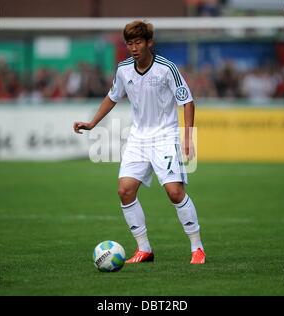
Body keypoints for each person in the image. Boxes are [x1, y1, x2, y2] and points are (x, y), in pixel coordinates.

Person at [73, 20, 205, 264]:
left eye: (138, 42)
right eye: (130, 43)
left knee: (175, 192)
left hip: (165, 137)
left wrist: (187, 136)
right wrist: (92, 123)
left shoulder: (167, 68)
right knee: (124, 190)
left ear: (149, 43)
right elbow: (112, 97)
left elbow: (187, 101)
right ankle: (144, 249)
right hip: (138, 138)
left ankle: (197, 248)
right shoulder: (123, 70)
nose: (134, 48)